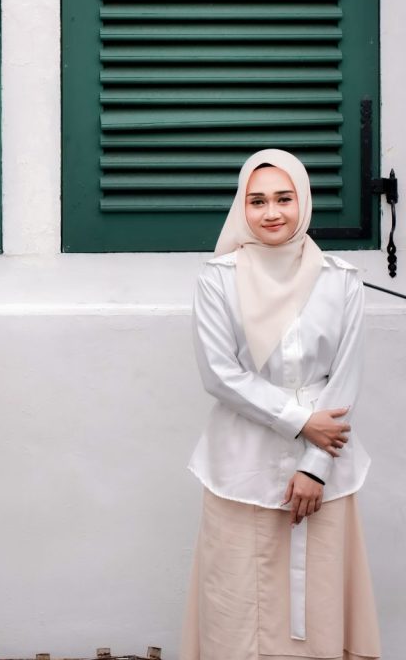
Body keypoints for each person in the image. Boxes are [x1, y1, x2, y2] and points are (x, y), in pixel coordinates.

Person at [180, 149, 380, 660]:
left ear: (303, 201)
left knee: (318, 601)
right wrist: (300, 421)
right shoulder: (218, 277)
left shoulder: (340, 279)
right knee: (236, 603)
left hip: (328, 466)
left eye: (284, 199)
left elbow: (346, 377)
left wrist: (315, 467)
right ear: (241, 207)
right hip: (239, 466)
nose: (272, 212)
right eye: (257, 201)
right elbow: (219, 373)